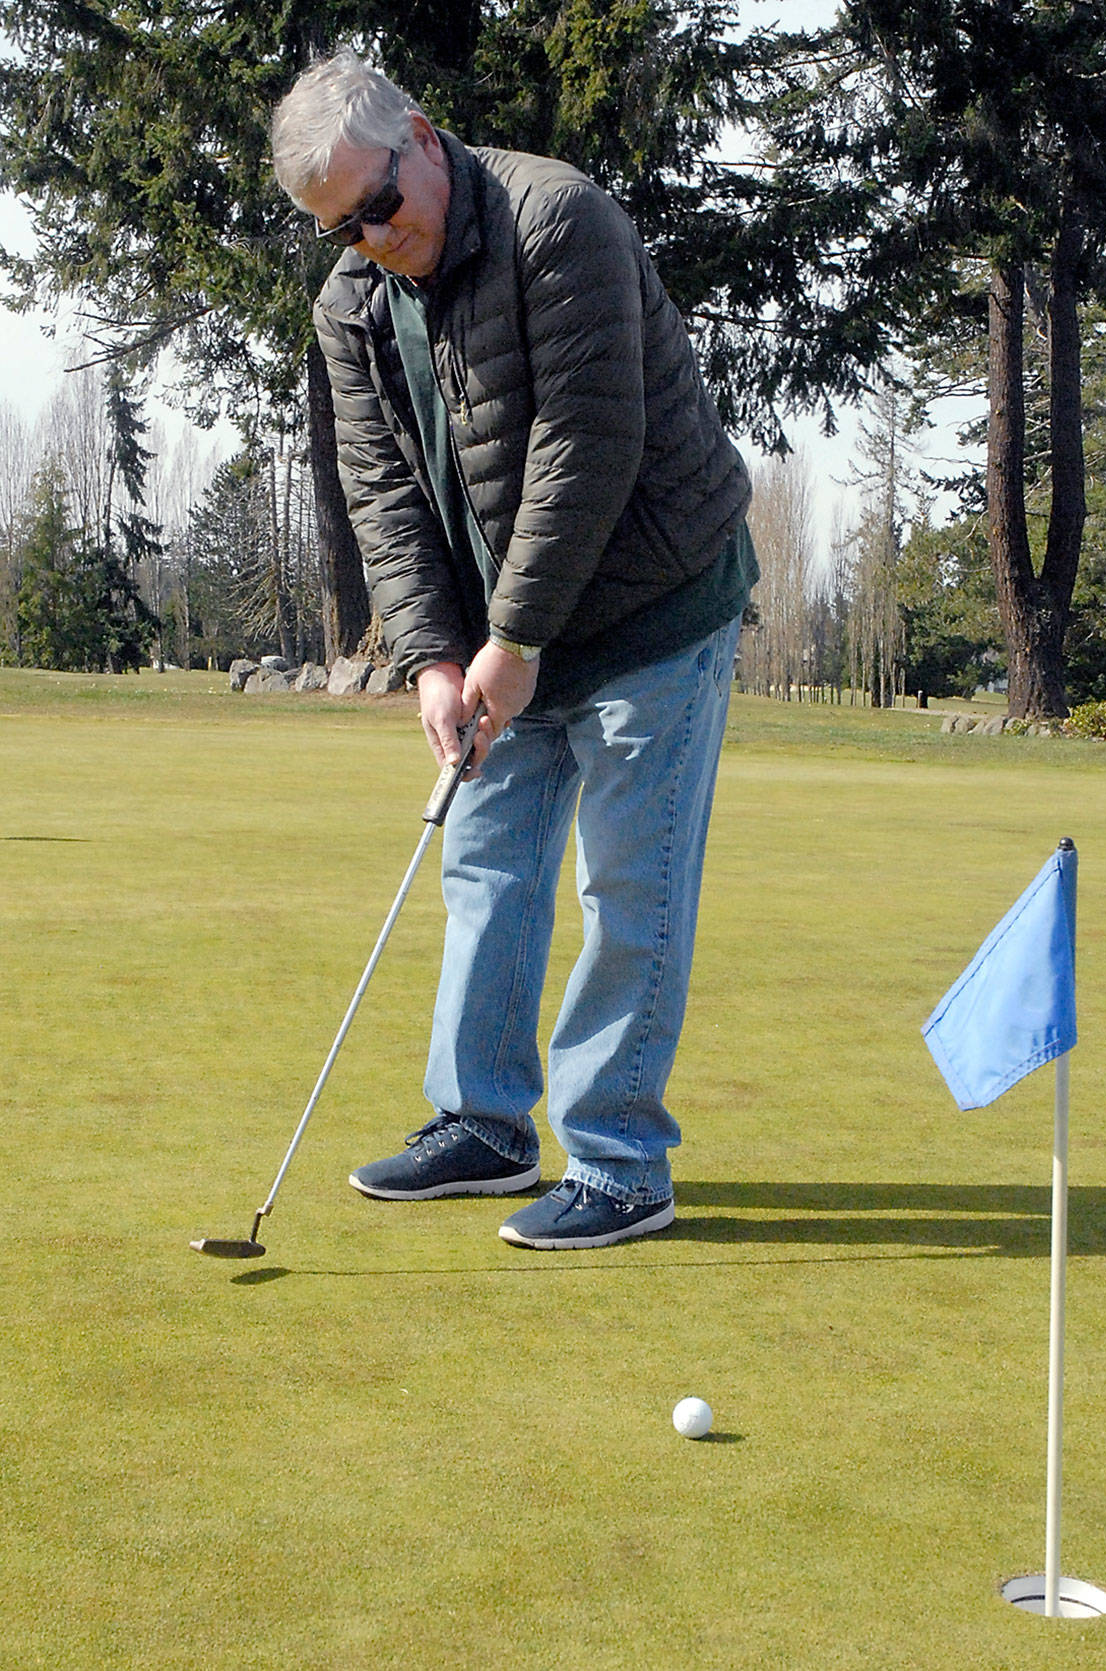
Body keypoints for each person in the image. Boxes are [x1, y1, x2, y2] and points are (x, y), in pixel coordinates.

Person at [270, 49, 756, 1250]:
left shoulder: (559, 219)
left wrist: (516, 636)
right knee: (485, 866)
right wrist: (436, 656)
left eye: (379, 206)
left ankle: (621, 1162)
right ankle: (483, 1126)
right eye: (342, 229)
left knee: (626, 888)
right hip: (503, 633)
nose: (372, 238)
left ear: (423, 140)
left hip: (651, 605)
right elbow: (380, 495)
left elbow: (585, 445)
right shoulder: (352, 304)